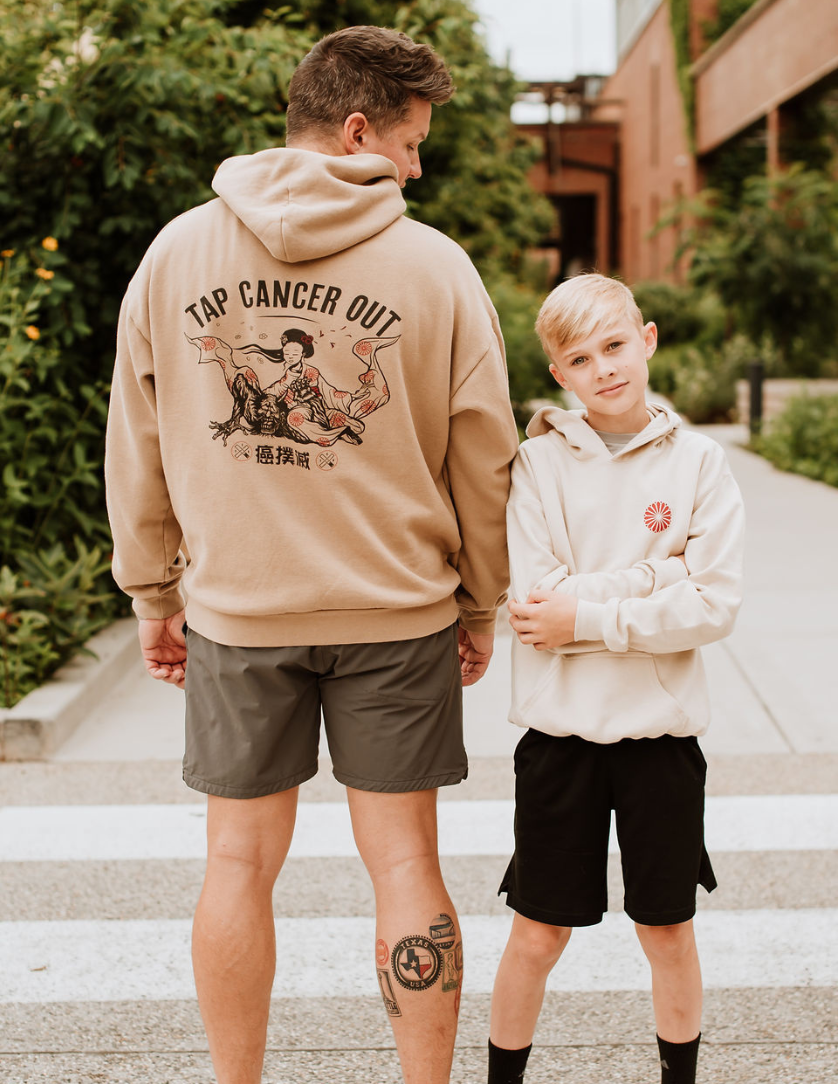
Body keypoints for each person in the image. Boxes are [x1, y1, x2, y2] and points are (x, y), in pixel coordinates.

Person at [105, 24, 519, 1084]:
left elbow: (136, 443)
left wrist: (152, 592)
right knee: (406, 862)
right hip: (397, 615)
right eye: (413, 143)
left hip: (240, 617)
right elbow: (485, 457)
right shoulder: (435, 268)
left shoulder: (177, 254)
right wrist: (480, 601)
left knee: (236, 863)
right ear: (357, 130)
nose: (417, 169)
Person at [487, 273, 744, 1084]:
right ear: (558, 372)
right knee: (537, 934)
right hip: (560, 738)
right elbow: (537, 601)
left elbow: (714, 604)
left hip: (660, 740)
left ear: (647, 340)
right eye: (579, 358)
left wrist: (590, 616)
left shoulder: (701, 463)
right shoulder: (536, 464)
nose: (603, 368)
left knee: (667, 932)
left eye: (615, 345)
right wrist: (660, 575)